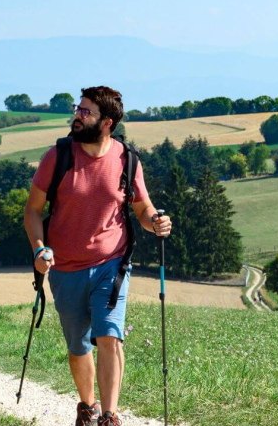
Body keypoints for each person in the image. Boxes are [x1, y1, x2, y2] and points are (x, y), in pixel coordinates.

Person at [24, 86, 173, 426]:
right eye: (79, 109)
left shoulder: (127, 159)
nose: (78, 116)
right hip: (65, 267)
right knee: (78, 347)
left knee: (109, 335)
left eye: (86, 112)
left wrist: (156, 223)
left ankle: (110, 415)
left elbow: (142, 208)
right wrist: (39, 248)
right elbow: (32, 211)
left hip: (112, 263)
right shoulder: (57, 156)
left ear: (106, 123)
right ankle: (87, 405)